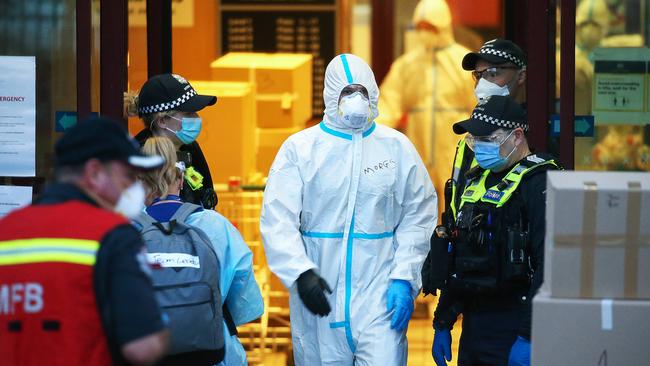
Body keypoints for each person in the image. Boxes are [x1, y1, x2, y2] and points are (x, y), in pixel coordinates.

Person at [260, 53, 438, 365]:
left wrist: (404, 276)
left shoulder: (396, 147)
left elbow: (419, 213)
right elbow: (277, 219)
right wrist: (300, 272)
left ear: (374, 93)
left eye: (362, 91)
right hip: (320, 295)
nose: (356, 100)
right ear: (330, 95)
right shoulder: (300, 150)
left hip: (379, 296)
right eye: (347, 92)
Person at [0, 117, 169, 366]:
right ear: (95, 173)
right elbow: (143, 347)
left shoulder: (6, 229)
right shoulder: (114, 235)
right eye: (128, 176)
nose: (134, 188)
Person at [429, 96, 560, 366]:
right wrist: (443, 320)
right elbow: (460, 255)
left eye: (487, 138)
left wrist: (528, 336)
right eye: (474, 139)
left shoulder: (539, 183)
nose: (478, 146)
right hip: (475, 325)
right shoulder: (476, 182)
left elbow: (550, 265)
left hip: (515, 322)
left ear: (517, 136)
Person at [138, 137, 264, 366]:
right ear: (181, 179)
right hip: (213, 353)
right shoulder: (217, 226)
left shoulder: (123, 230)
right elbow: (247, 307)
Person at [377, 0, 476, 196]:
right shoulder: (407, 64)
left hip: (454, 140)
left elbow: (479, 104)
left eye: (430, 27)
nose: (424, 33)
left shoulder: (464, 62)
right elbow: (389, 104)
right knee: (418, 193)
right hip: (418, 140)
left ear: (443, 26)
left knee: (454, 191)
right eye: (420, 28)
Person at [128, 73, 219, 209]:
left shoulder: (189, 148)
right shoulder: (140, 160)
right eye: (188, 113)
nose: (196, 117)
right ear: (162, 121)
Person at [462, 38, 527, 105]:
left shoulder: (536, 114)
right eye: (478, 76)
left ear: (521, 76)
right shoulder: (478, 115)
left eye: (493, 74)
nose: (481, 85)